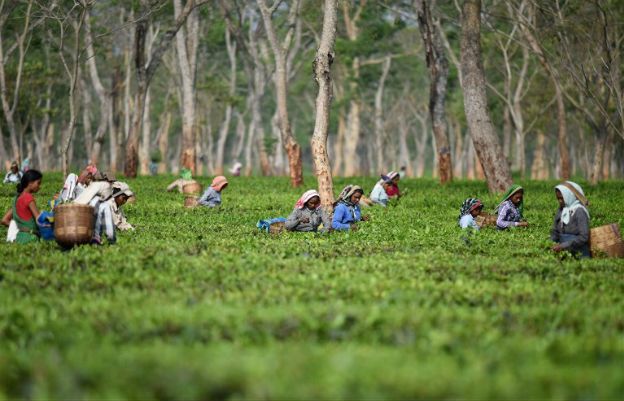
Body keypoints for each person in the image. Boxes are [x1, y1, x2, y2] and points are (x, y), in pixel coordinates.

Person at [1, 170, 43, 244]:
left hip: (19, 238)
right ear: (30, 183)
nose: (39, 187)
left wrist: (20, 228)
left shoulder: (16, 199)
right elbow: (39, 220)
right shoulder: (28, 197)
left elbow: (4, 220)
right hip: (31, 238)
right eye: (38, 183)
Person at [551, 181, 590, 258]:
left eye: (562, 198)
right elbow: (555, 231)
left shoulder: (579, 211)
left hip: (579, 253)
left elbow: (583, 237)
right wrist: (549, 243)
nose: (560, 201)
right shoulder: (561, 210)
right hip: (564, 253)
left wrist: (563, 246)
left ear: (570, 196)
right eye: (558, 198)